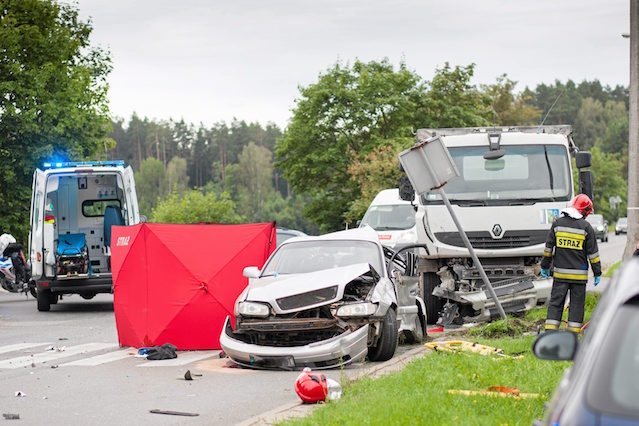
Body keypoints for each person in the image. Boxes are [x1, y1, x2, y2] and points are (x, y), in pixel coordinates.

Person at [541, 194, 601, 333]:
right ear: (584, 211)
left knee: (556, 304)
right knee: (576, 305)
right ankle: (572, 335)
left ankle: (550, 333)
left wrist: (545, 266)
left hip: (560, 275)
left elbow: (548, 249)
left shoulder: (557, 224)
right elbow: (593, 255)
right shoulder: (586, 227)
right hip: (579, 278)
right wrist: (597, 272)